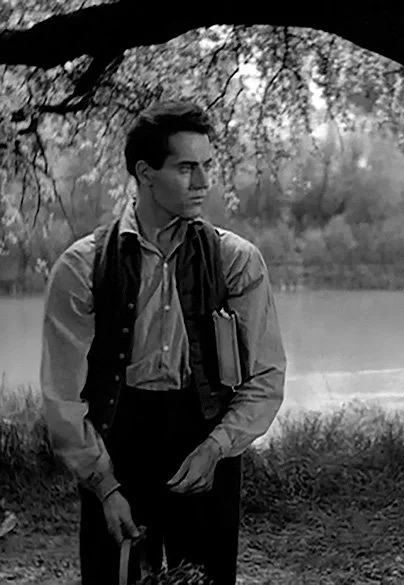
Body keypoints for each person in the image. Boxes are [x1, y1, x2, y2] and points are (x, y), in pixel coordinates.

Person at [40, 101, 287, 585]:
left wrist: (217, 448)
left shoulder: (236, 260)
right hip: (117, 440)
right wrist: (105, 485)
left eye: (207, 167)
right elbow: (63, 395)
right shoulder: (82, 266)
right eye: (186, 167)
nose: (203, 182)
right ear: (145, 173)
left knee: (205, 578)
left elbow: (265, 376)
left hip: (204, 434)